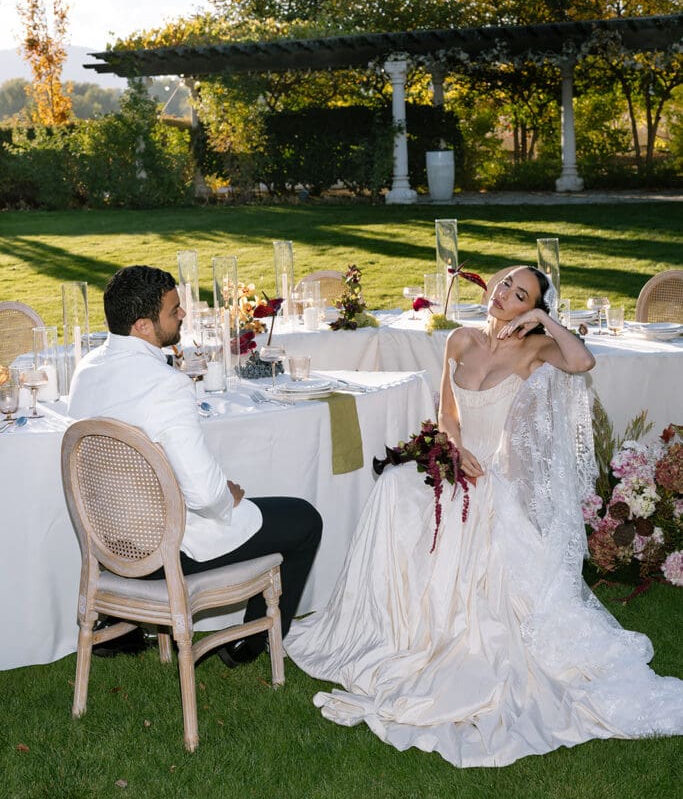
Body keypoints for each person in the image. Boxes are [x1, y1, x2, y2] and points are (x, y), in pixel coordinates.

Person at [284, 266, 683, 767]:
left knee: (465, 526)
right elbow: (448, 414)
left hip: (498, 481)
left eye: (521, 296)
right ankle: (398, 627)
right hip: (458, 464)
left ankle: (453, 636)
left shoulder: (534, 349)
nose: (505, 296)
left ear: (530, 310)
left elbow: (582, 362)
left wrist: (543, 319)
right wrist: (453, 448)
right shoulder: (459, 340)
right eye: (506, 285)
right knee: (394, 487)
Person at [68, 265, 322, 666]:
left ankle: (126, 622)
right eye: (174, 311)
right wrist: (228, 500)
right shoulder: (166, 385)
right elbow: (204, 495)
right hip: (160, 554)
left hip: (109, 545)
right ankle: (250, 646)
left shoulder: (87, 369)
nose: (183, 315)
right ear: (143, 326)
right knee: (304, 519)